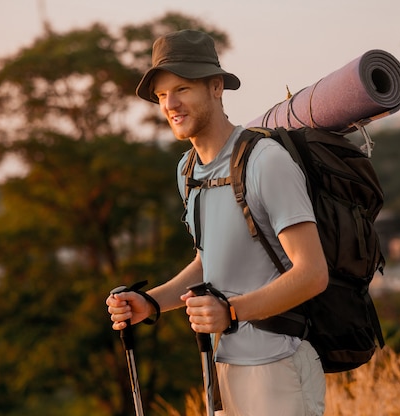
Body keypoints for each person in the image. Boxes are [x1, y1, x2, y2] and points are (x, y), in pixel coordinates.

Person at [106, 29, 328, 416]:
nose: (170, 104)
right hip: (222, 367)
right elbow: (209, 262)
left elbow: (312, 273)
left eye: (182, 89)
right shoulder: (188, 170)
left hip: (279, 367)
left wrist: (232, 312)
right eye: (161, 95)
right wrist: (150, 303)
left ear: (216, 86)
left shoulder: (264, 162)